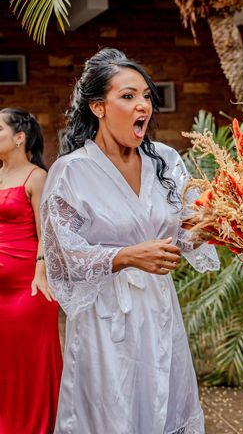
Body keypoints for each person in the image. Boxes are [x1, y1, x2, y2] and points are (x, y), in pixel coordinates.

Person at [41, 48, 219, 434]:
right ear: (98, 107)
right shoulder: (71, 173)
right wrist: (125, 256)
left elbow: (188, 232)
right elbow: (64, 257)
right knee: (111, 411)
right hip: (105, 319)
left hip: (158, 310)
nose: (143, 105)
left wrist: (228, 222)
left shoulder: (166, 161)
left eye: (146, 96)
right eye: (128, 96)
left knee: (164, 402)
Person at [0, 107, 62, 434]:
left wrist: (41, 271)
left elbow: (47, 233)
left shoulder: (37, 177)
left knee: (28, 366)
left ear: (19, 137)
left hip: (28, 290)